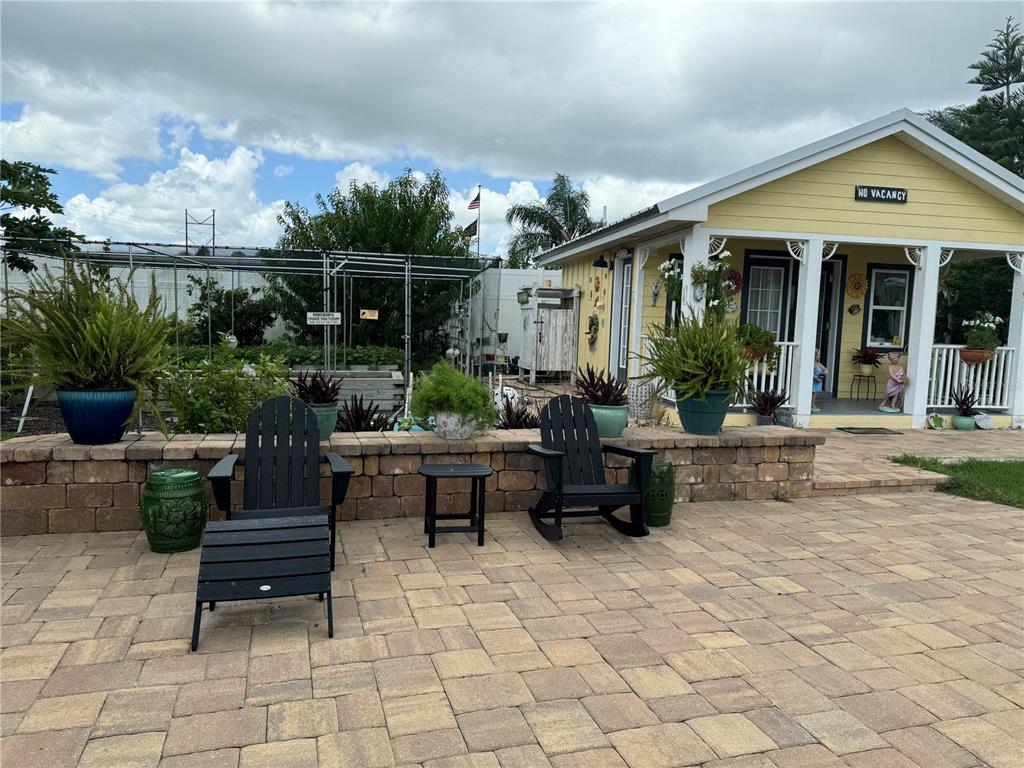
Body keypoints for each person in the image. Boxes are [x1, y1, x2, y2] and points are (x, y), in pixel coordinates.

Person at [811, 349, 827, 413]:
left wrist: (823, 375)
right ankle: (812, 404)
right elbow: (811, 373)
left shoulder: (818, 364)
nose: (819, 356)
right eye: (818, 355)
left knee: (815, 393)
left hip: (818, 381)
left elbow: (825, 369)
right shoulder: (812, 364)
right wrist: (816, 378)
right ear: (814, 355)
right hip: (814, 381)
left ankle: (813, 404)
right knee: (813, 393)